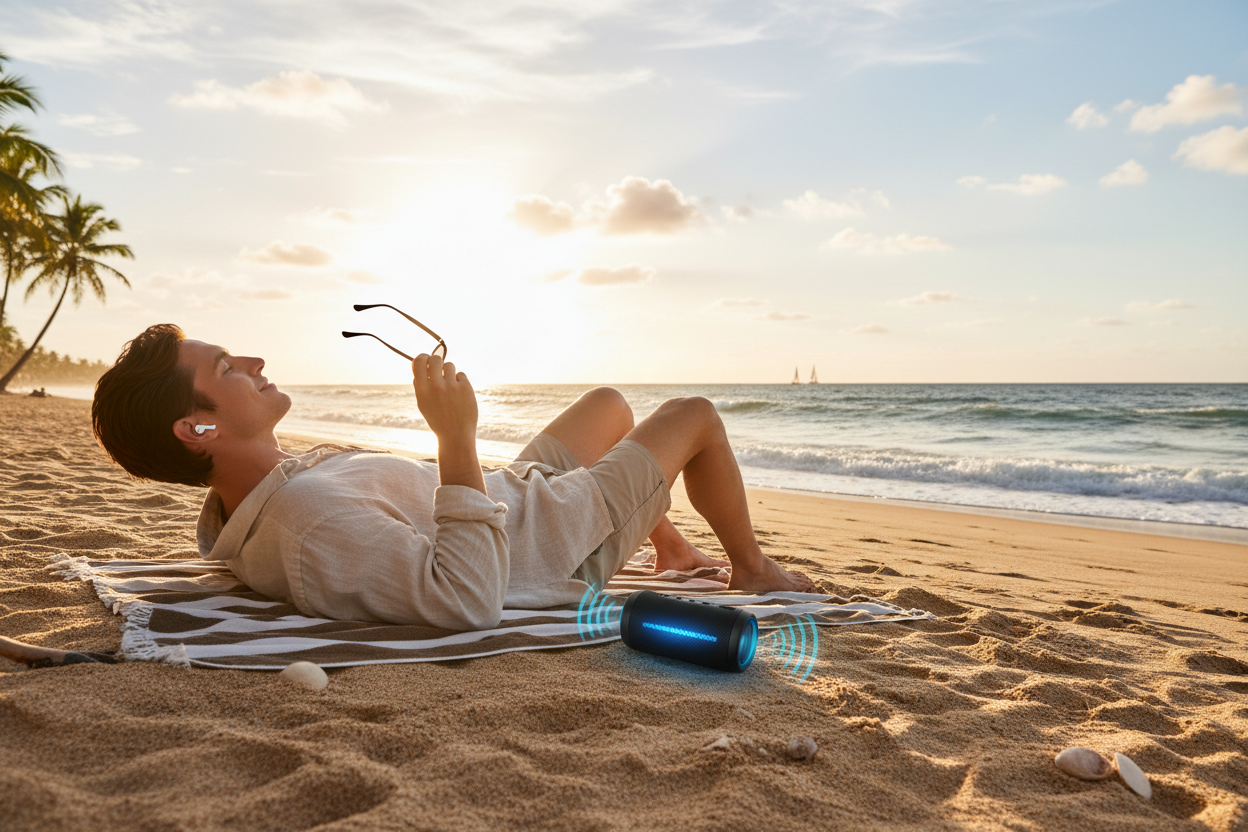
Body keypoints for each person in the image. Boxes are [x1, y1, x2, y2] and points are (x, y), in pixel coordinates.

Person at [84, 323, 815, 632]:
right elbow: (466, 599)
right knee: (694, 415)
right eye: (226, 368)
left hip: (515, 495)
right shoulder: (307, 523)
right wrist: (455, 434)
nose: (253, 363)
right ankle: (750, 569)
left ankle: (673, 550)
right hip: (552, 536)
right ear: (198, 429)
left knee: (609, 407)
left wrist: (471, 458)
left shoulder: (267, 494)